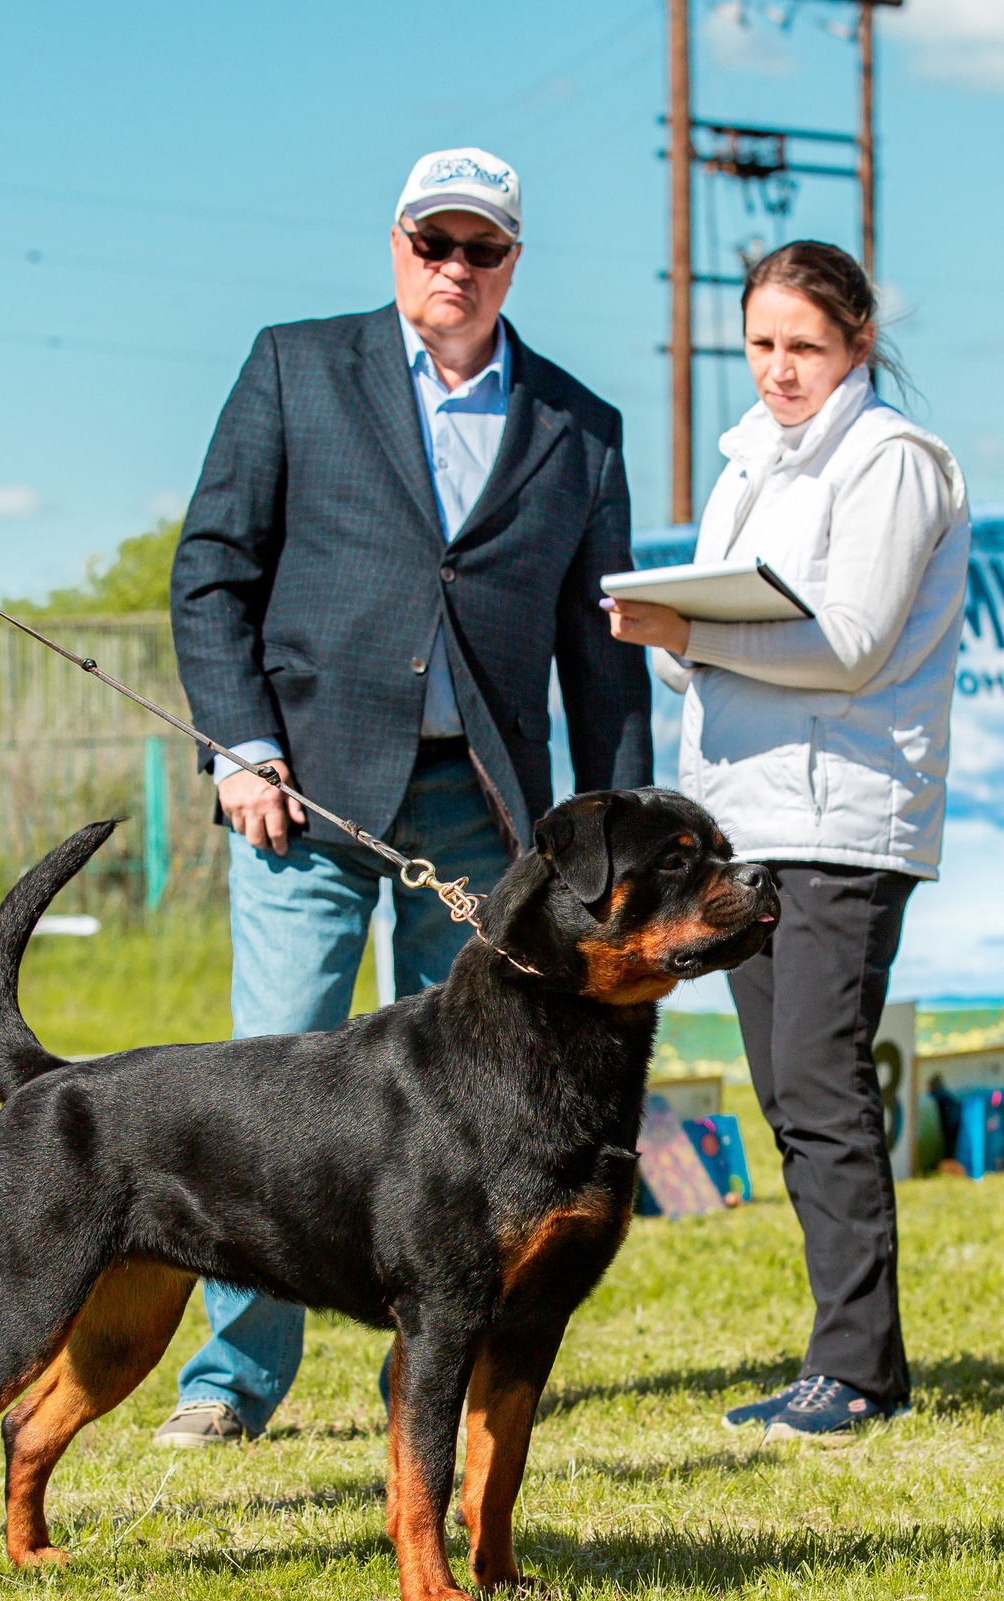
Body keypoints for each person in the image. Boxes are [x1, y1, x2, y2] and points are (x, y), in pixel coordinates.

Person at [160, 147, 652, 1448]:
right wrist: (239, 743)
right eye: (434, 243)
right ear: (395, 247)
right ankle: (231, 1380)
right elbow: (212, 571)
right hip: (305, 794)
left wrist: (613, 841)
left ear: (513, 263)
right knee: (273, 1085)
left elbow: (602, 660)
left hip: (488, 819)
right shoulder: (293, 368)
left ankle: (469, 1362)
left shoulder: (580, 425)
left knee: (487, 1108)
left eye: (481, 248)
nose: (455, 268)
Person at [604, 240, 970, 1444]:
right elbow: (729, 632)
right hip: (744, 822)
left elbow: (852, 642)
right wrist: (671, 631)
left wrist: (693, 636)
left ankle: (856, 1371)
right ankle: (847, 1357)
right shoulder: (747, 461)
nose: (778, 369)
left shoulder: (894, 462)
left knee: (819, 1085)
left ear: (859, 340)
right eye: (759, 344)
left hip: (843, 821)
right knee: (786, 1089)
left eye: (805, 346)